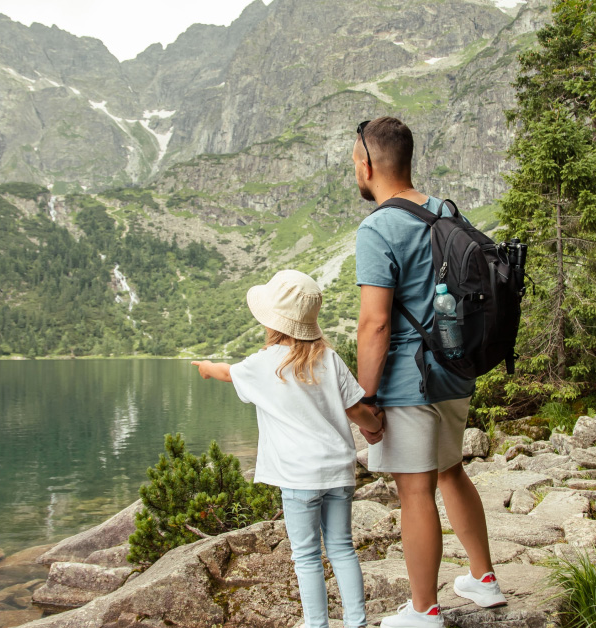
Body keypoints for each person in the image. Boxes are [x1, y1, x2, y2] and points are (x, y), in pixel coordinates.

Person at [351, 117, 508, 628]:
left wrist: (365, 397)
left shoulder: (378, 227)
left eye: (355, 159)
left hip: (407, 380)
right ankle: (483, 580)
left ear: (367, 163)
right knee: (451, 470)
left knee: (414, 491)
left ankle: (424, 611)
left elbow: (375, 324)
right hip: (456, 368)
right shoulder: (443, 211)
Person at [191, 269, 385, 628]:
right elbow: (357, 410)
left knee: (307, 555)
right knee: (342, 547)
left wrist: (205, 368)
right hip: (338, 472)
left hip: (298, 478)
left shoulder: (264, 364)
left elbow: (225, 372)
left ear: (272, 321)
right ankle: (356, 622)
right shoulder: (329, 358)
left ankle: (317, 624)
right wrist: (375, 429)